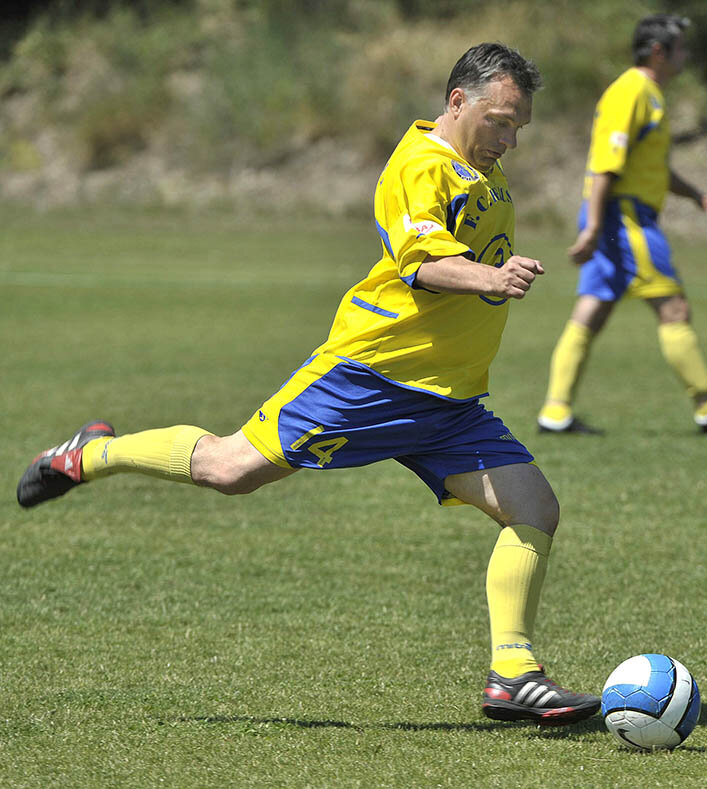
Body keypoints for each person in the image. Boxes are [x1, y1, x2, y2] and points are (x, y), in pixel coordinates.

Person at [16, 43, 600, 727]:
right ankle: (90, 453)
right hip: (370, 376)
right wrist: (490, 278)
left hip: (450, 403)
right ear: (456, 102)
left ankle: (514, 675)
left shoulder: (490, 179)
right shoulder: (421, 165)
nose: (507, 139)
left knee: (534, 507)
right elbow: (421, 261)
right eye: (499, 121)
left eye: (519, 128)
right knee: (228, 469)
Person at [536, 14, 707, 435]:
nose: (686, 56)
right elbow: (605, 166)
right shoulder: (632, 92)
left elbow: (653, 168)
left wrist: (696, 196)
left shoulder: (649, 93)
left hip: (617, 215)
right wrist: (593, 227)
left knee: (592, 311)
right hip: (623, 218)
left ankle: (555, 412)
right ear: (659, 52)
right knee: (673, 307)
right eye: (681, 48)